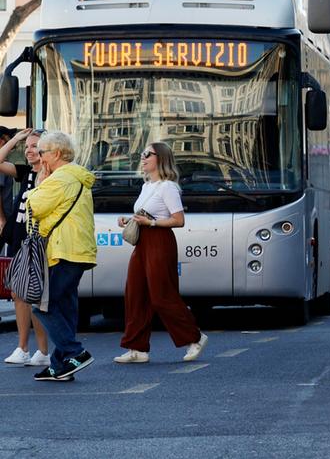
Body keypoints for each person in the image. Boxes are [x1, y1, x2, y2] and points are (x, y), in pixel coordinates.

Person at [114, 142, 207, 364]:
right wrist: (129, 219)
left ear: (161, 158)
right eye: (142, 154)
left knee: (161, 295)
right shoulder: (147, 186)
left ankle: (195, 337)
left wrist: (152, 223)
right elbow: (145, 214)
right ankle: (137, 348)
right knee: (135, 293)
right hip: (143, 241)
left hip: (159, 241)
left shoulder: (168, 187)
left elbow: (179, 220)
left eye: (148, 154)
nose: (143, 157)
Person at [27, 131, 96, 381]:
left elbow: (33, 206)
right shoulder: (73, 175)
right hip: (74, 249)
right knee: (65, 307)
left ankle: (76, 352)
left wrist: (41, 183)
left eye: (42, 152)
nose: (40, 157)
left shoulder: (61, 178)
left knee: (44, 306)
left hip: (64, 250)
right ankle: (60, 365)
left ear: (56, 153)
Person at [1, 129, 51, 367]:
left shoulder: (51, 175)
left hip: (37, 240)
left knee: (33, 294)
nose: (29, 150)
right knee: (17, 293)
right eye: (27, 146)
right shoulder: (25, 172)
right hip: (19, 238)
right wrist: (15, 140)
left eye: (34, 146)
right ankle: (24, 348)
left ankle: (41, 350)